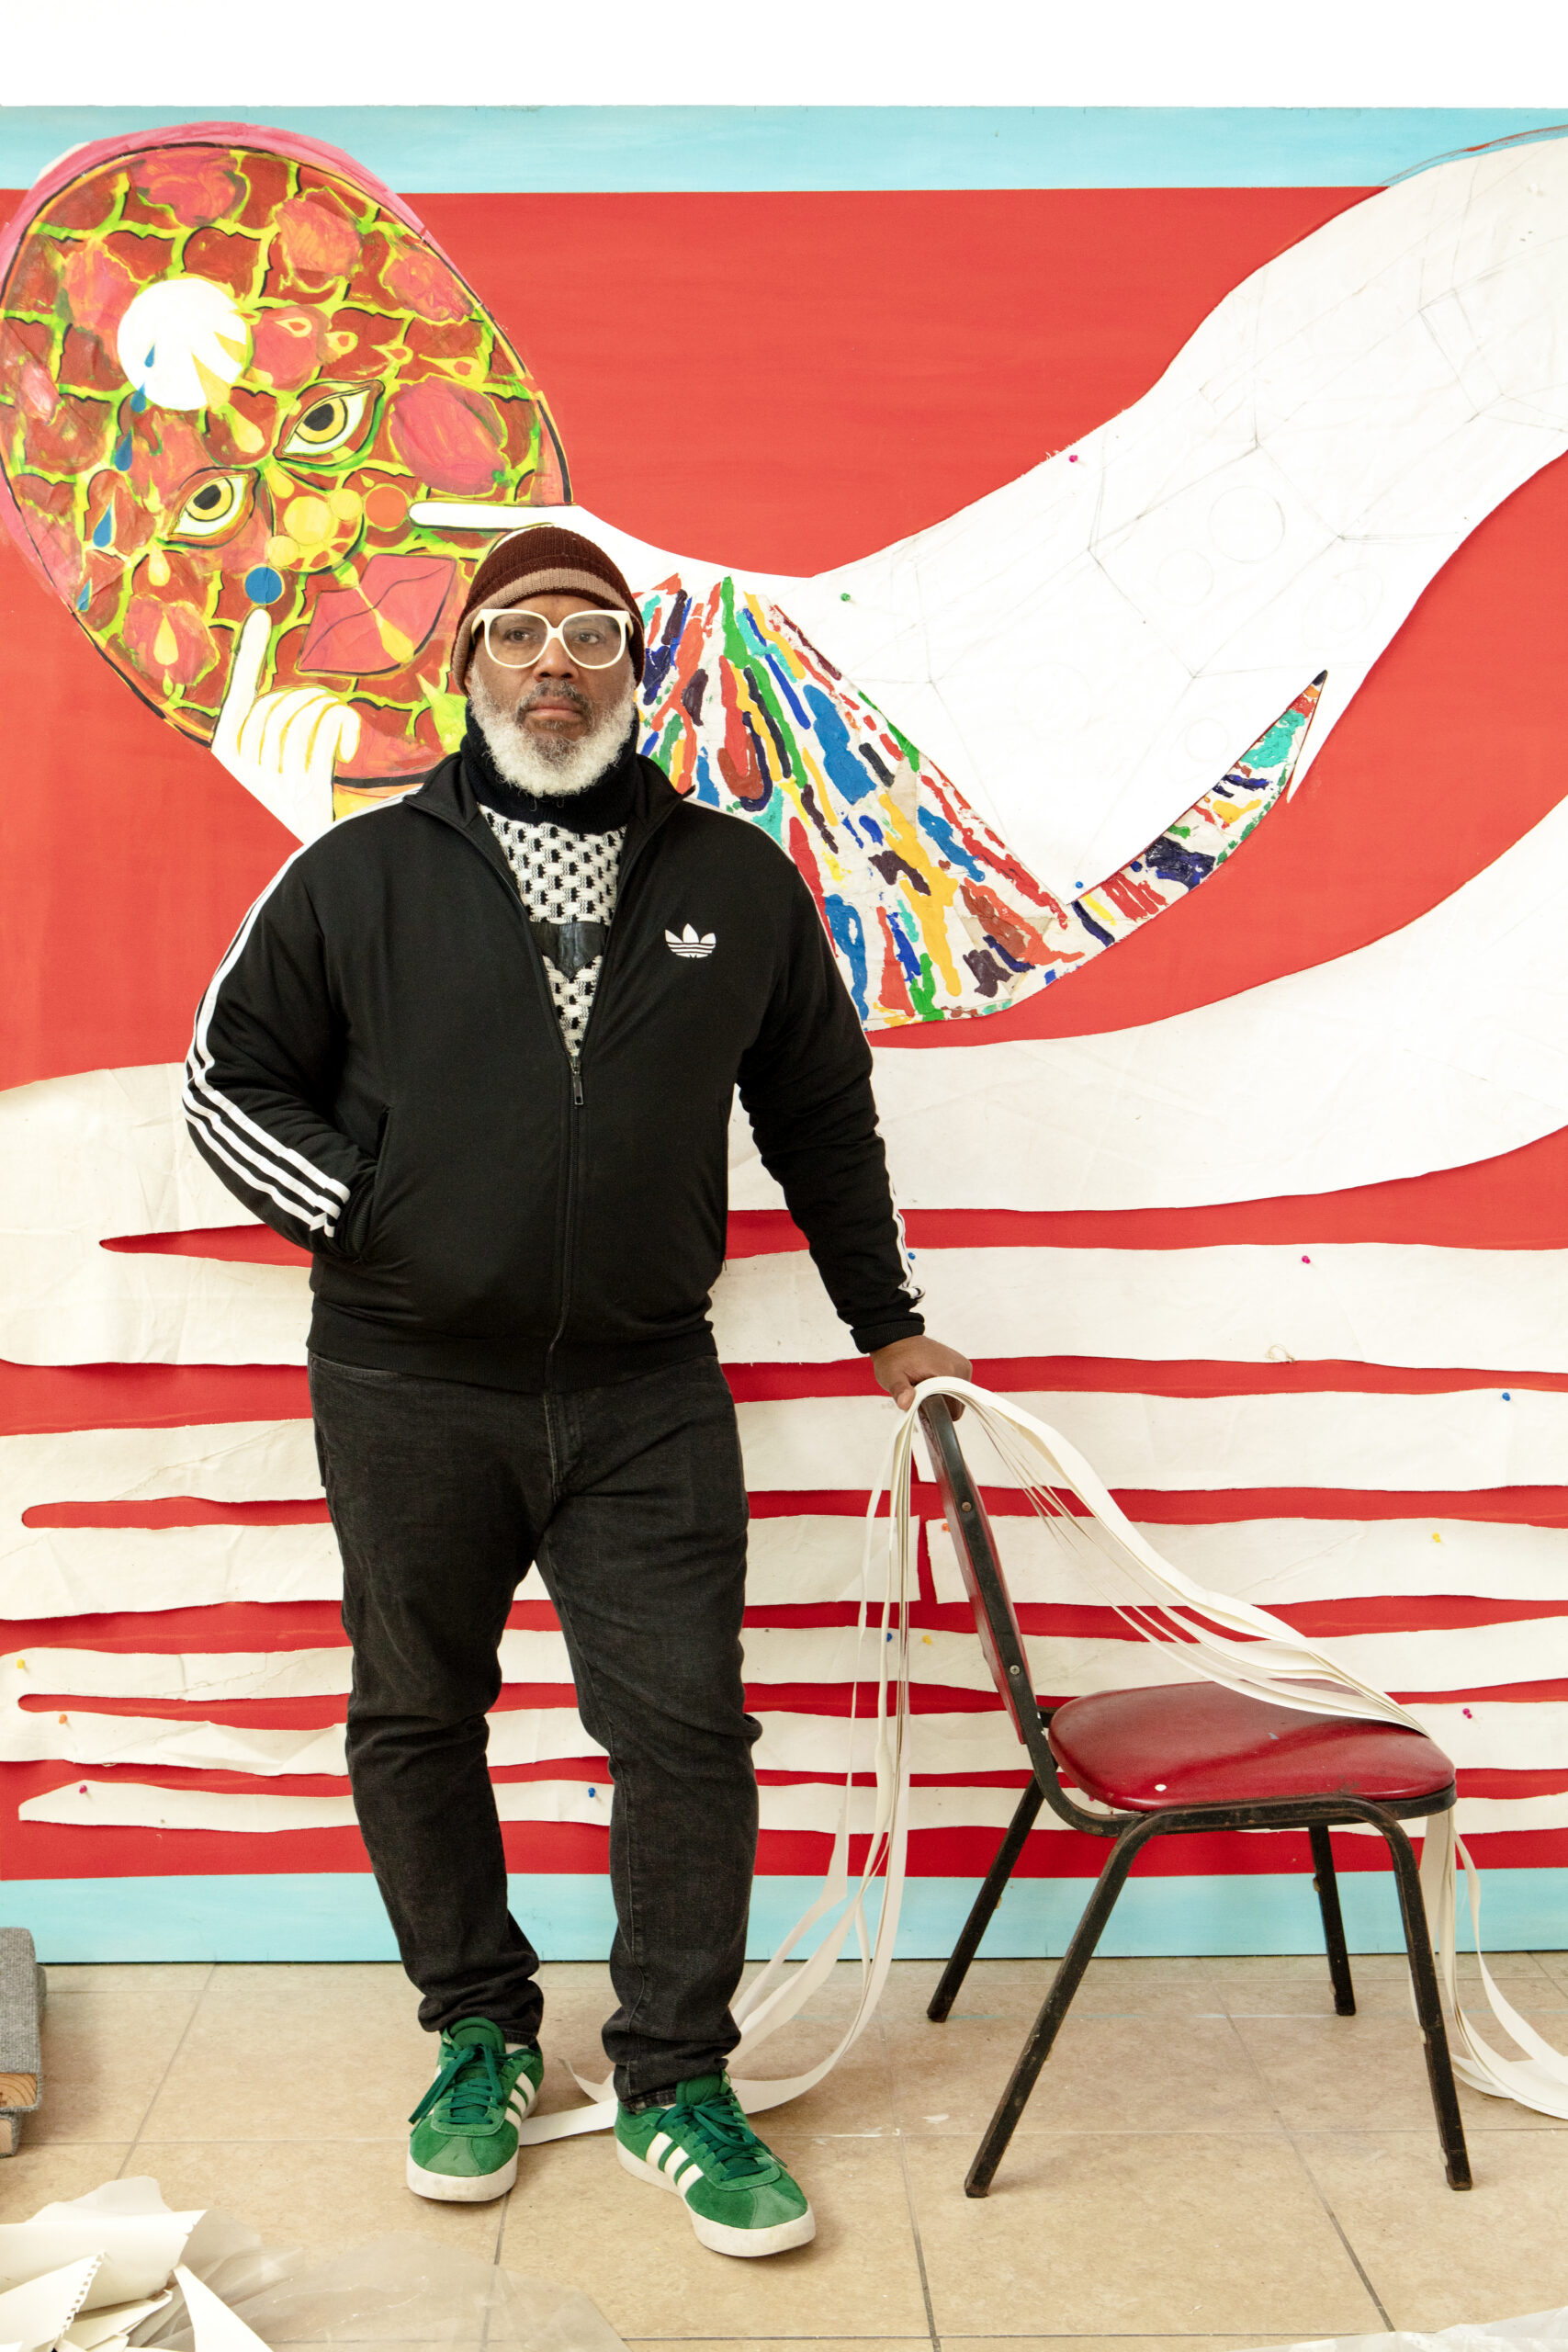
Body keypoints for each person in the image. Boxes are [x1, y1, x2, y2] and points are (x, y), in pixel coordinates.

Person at [184, 526, 970, 2258]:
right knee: (417, 1714)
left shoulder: (739, 881)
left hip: (643, 1389)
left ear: (637, 666)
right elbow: (230, 1082)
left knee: (685, 1731)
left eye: (592, 634)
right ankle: (479, 2032)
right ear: (463, 663)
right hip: (404, 1380)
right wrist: (378, 1214)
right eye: (521, 632)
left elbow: (822, 1120)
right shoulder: (358, 874)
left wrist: (887, 1322)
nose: (557, 661)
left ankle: (676, 2076)